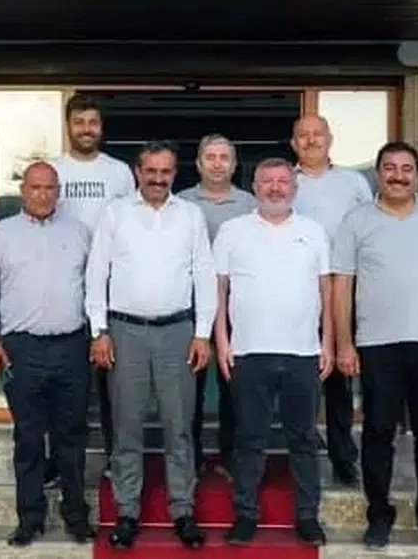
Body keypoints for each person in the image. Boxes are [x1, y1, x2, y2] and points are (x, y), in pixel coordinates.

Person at [332, 141, 418, 550]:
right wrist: (344, 344)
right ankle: (379, 516)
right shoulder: (356, 220)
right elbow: (342, 285)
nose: (398, 176)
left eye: (406, 168)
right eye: (389, 168)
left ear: (417, 175)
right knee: (377, 433)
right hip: (376, 344)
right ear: (378, 173)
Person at [85, 140, 216, 550]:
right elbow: (96, 273)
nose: (158, 179)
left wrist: (203, 332)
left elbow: (204, 274)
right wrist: (99, 330)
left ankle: (183, 510)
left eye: (165, 171)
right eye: (151, 171)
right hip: (125, 332)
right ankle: (127, 512)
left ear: (175, 173)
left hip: (178, 331)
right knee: (127, 427)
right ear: (138, 172)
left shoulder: (190, 215)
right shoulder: (116, 213)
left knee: (180, 427)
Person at [0, 162, 97, 547]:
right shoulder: (0, 235)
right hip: (21, 348)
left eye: (50, 188)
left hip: (71, 345)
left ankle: (76, 515)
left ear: (59, 192)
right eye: (36, 187)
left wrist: (98, 334)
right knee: (28, 435)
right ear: (23, 191)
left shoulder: (79, 233)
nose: (43, 195)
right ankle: (30, 517)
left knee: (71, 435)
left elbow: (94, 287)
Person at [214, 157, 332, 548]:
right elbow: (219, 291)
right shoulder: (233, 231)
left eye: (283, 181)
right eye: (267, 181)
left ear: (294, 189)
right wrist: (222, 342)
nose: (275, 188)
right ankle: (246, 514)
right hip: (249, 352)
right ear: (254, 187)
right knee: (249, 438)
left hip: (303, 352)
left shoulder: (313, 232)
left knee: (303, 439)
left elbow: (327, 292)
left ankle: (307, 516)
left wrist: (328, 343)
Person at [50, 93, 136, 485]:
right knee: (66, 385)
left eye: (93, 122)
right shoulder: (54, 170)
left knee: (112, 384)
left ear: (101, 127)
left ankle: (117, 458)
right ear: (68, 125)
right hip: (63, 287)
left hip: (112, 288)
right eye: (79, 121)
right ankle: (61, 463)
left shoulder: (119, 173)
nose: (87, 129)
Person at [289, 114, 372, 486]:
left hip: (345, 290)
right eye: (303, 135)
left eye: (317, 134)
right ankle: (302, 451)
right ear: (293, 143)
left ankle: (343, 455)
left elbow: (370, 228)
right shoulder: (284, 181)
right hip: (298, 292)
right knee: (301, 377)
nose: (311, 141)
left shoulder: (353, 182)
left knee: (340, 376)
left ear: (330, 139)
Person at [176, 134, 256, 479]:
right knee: (187, 389)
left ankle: (231, 456)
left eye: (225, 157)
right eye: (210, 157)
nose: (218, 164)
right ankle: (189, 458)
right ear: (198, 164)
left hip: (237, 307)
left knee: (234, 385)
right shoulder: (181, 202)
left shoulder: (251, 204)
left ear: (234, 165)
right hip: (188, 306)